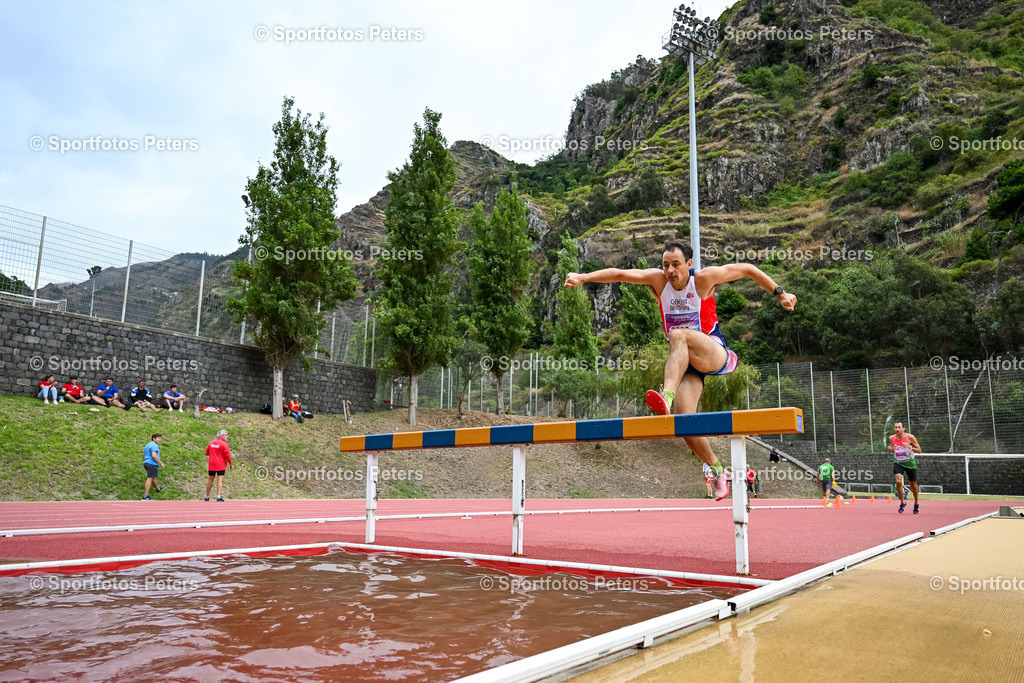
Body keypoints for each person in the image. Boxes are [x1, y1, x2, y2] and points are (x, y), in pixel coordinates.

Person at [564, 240, 797, 500]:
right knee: (684, 423)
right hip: (686, 363)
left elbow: (748, 269)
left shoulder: (704, 279)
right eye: (665, 265)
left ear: (689, 264)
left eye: (676, 264)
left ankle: (666, 395)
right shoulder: (658, 281)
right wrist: (584, 277)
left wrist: (780, 293)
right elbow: (619, 274)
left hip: (712, 351)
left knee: (679, 335)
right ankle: (719, 471)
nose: (670, 271)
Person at [889, 421, 922, 514]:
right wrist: (890, 448)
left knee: (913, 484)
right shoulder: (892, 438)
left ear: (903, 429)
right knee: (898, 481)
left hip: (910, 463)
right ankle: (902, 502)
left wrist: (909, 447)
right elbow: (892, 446)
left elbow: (919, 450)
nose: (897, 429)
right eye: (895, 427)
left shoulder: (910, 437)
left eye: (899, 427)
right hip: (898, 462)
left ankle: (916, 503)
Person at [205, 429, 233, 501]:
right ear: (222, 436)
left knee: (210, 479)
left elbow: (207, 452)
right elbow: (227, 455)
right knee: (220, 480)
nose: (227, 436)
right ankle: (219, 496)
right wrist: (231, 464)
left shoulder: (211, 443)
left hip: (212, 464)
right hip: (220, 464)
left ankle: (207, 496)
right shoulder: (224, 444)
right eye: (226, 435)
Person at [142, 433, 165, 500]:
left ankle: (158, 489)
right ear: (154, 438)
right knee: (150, 478)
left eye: (160, 438)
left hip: (146, 463)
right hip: (152, 463)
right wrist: (161, 463)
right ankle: (145, 496)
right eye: (158, 438)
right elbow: (154, 455)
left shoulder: (147, 445)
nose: (160, 440)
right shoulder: (154, 445)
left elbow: (144, 455)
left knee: (153, 477)